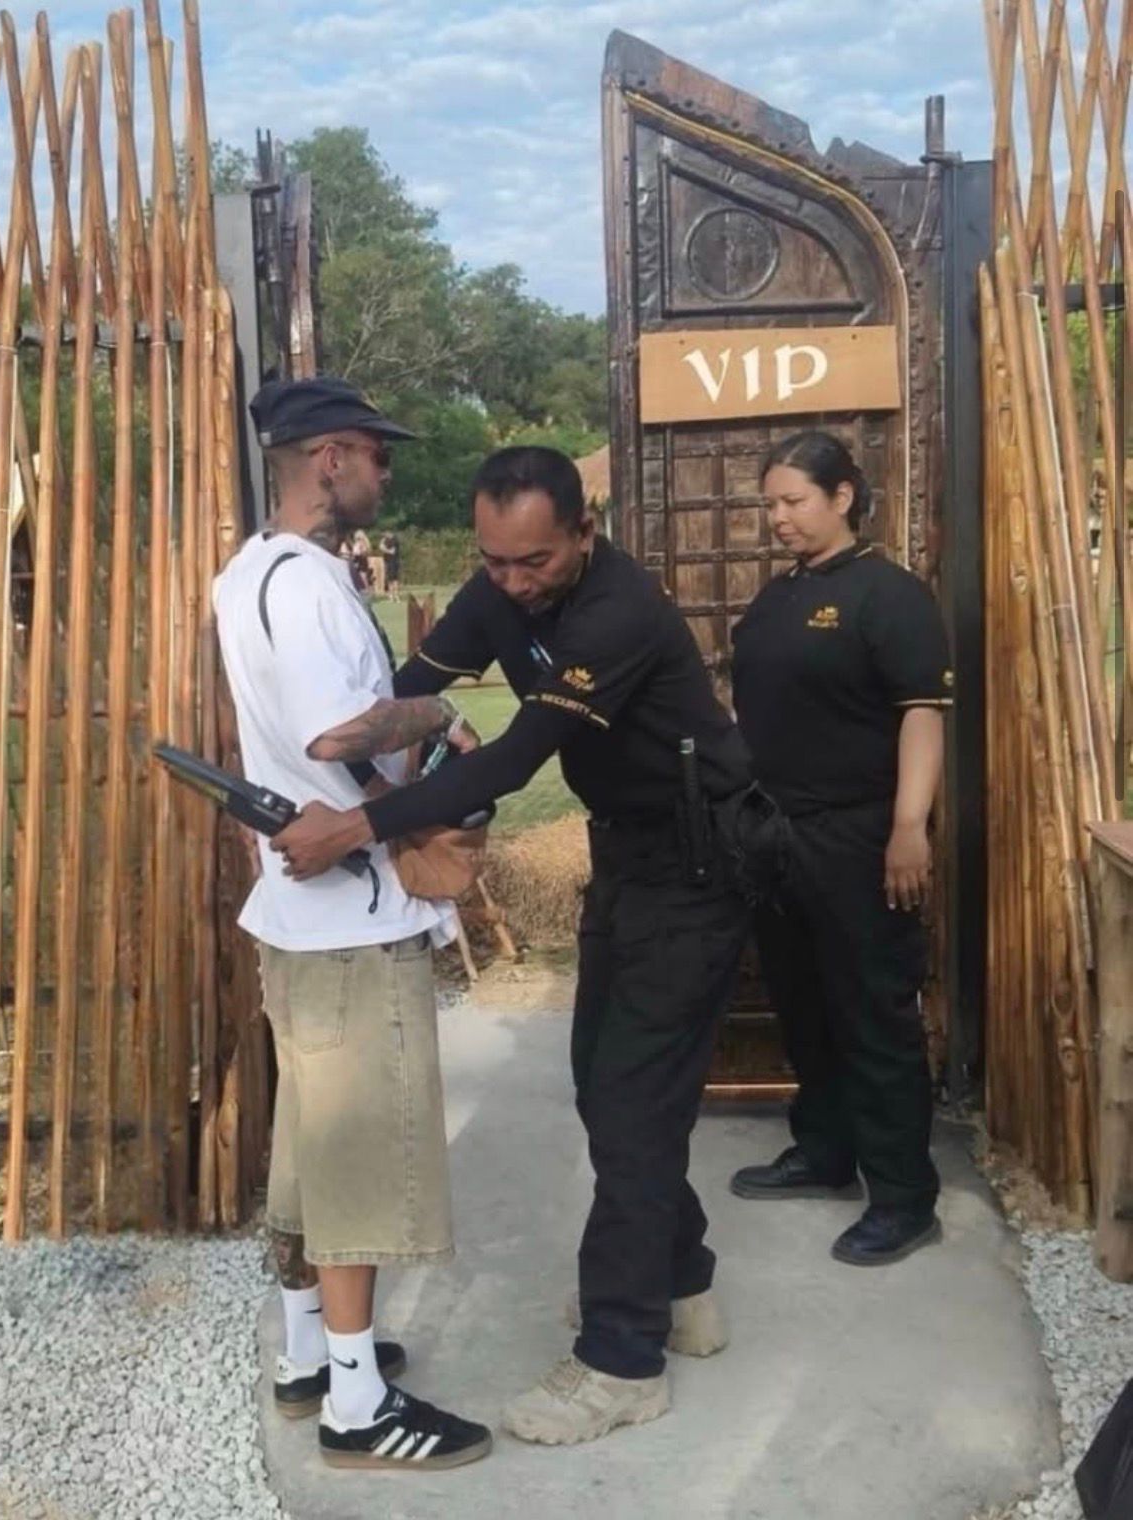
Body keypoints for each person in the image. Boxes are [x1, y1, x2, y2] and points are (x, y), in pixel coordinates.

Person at [268, 446, 754, 1447]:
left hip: (701, 868)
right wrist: (324, 744)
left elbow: (519, 754)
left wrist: (359, 825)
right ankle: (681, 1285)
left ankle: (622, 1360)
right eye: (494, 561)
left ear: (584, 532)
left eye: (535, 561)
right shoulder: (496, 595)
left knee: (632, 1106)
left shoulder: (619, 610)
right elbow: (409, 686)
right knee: (606, 1090)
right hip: (626, 861)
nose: (514, 582)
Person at [213, 374, 492, 1472]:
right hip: (352, 924)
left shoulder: (247, 572)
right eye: (377, 453)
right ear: (329, 456)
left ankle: (308, 1358)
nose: (386, 469)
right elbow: (336, 734)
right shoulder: (313, 586)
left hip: (296, 920)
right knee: (363, 1164)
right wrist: (442, 709)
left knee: (310, 1149)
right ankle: (358, 1405)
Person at [727, 430, 952, 1266]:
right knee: (804, 1004)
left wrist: (908, 826)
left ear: (843, 496)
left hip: (859, 836)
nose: (778, 518)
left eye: (794, 501)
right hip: (778, 835)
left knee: (873, 1013)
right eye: (771, 504)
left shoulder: (889, 596)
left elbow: (921, 714)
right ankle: (825, 1151)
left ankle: (903, 1197)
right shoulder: (778, 597)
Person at [380, 529, 401, 599]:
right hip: (388, 561)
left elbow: (392, 551)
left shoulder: (394, 540)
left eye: (385, 534)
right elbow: (381, 546)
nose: (384, 536)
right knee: (390, 578)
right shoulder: (387, 540)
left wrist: (384, 549)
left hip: (393, 562)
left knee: (393, 579)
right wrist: (382, 544)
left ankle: (395, 595)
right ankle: (391, 594)